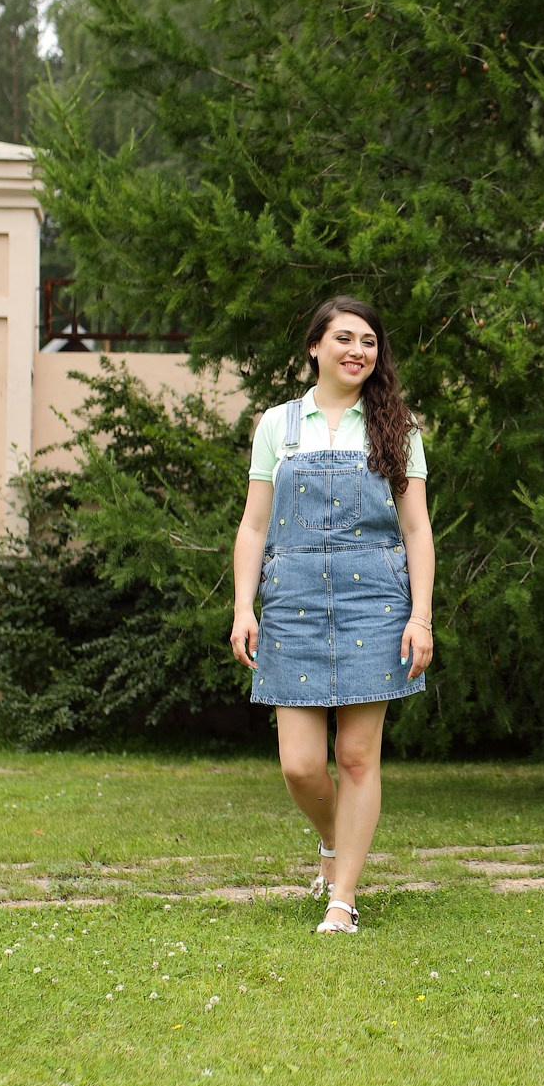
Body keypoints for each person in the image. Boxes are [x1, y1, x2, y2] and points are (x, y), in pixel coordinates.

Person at [229, 296, 435, 934]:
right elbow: (254, 525)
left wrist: (421, 616)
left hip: (374, 604)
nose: (358, 351)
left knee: (355, 757)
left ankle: (342, 899)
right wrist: (243, 607)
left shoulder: (396, 430)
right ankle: (332, 840)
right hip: (290, 603)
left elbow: (417, 531)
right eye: (344, 338)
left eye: (369, 341)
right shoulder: (278, 426)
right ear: (314, 347)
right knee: (299, 765)